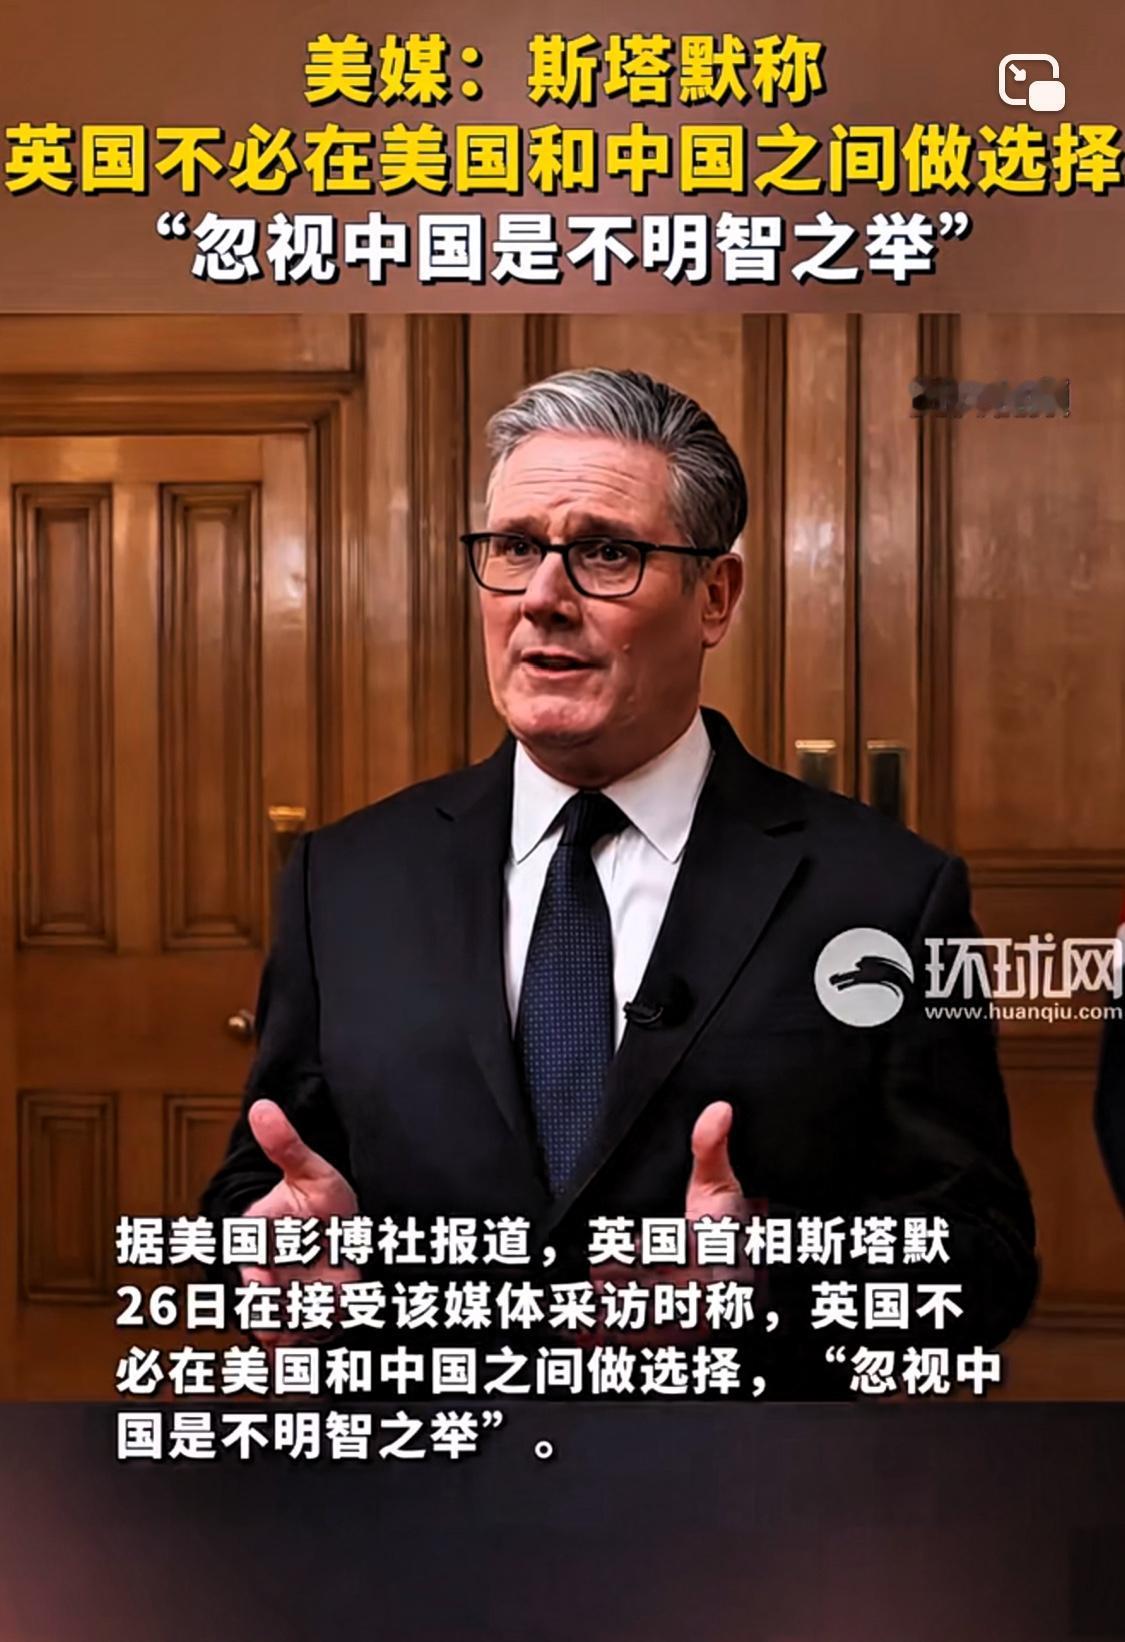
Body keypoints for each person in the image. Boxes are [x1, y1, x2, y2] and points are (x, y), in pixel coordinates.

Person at [201, 367, 1037, 1392]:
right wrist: (273, 1260)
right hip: (428, 1462)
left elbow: (984, 1260)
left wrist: (763, 1279)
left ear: (713, 597)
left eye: (606, 552)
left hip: (738, 1473)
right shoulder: (346, 879)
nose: (542, 599)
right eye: (514, 549)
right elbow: (263, 1179)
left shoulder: (884, 893)